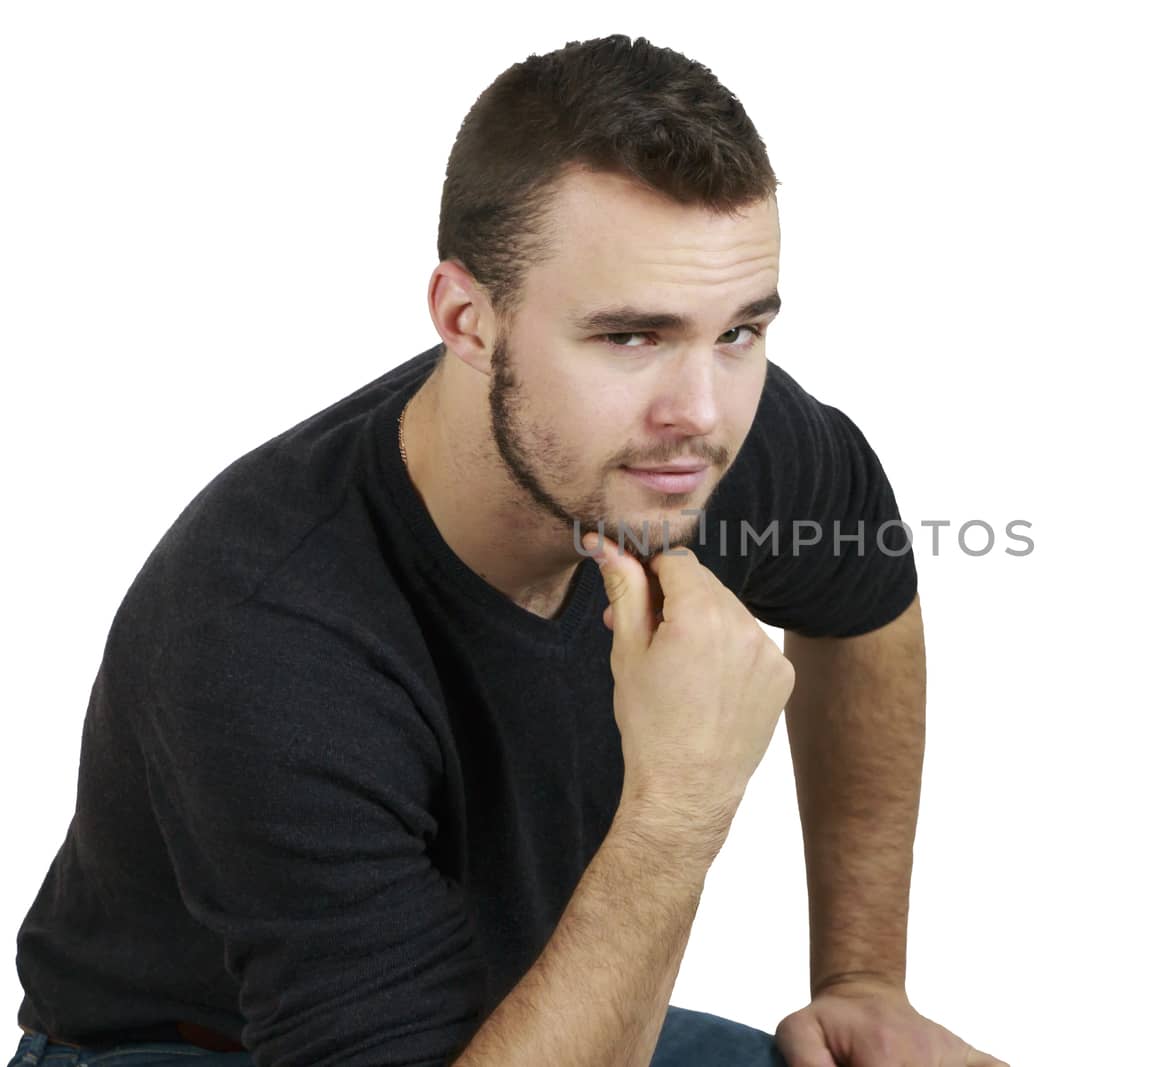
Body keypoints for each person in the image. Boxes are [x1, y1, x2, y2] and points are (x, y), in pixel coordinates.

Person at [8, 34, 1007, 1067]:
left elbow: (863, 595)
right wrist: (682, 798)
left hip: (500, 1003)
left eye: (740, 331)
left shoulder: (687, 445)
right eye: (629, 337)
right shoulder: (261, 631)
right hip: (201, 1046)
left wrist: (862, 978)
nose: (701, 411)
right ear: (466, 316)